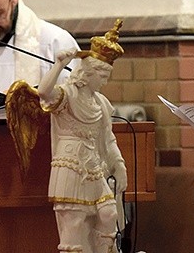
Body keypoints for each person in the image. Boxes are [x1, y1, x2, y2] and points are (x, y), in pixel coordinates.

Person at [36, 20, 127, 253]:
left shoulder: (101, 103)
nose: (105, 81)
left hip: (94, 165)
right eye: (102, 75)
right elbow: (43, 93)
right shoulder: (67, 95)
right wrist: (59, 65)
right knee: (74, 223)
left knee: (109, 212)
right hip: (70, 166)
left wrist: (119, 165)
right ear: (87, 73)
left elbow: (108, 138)